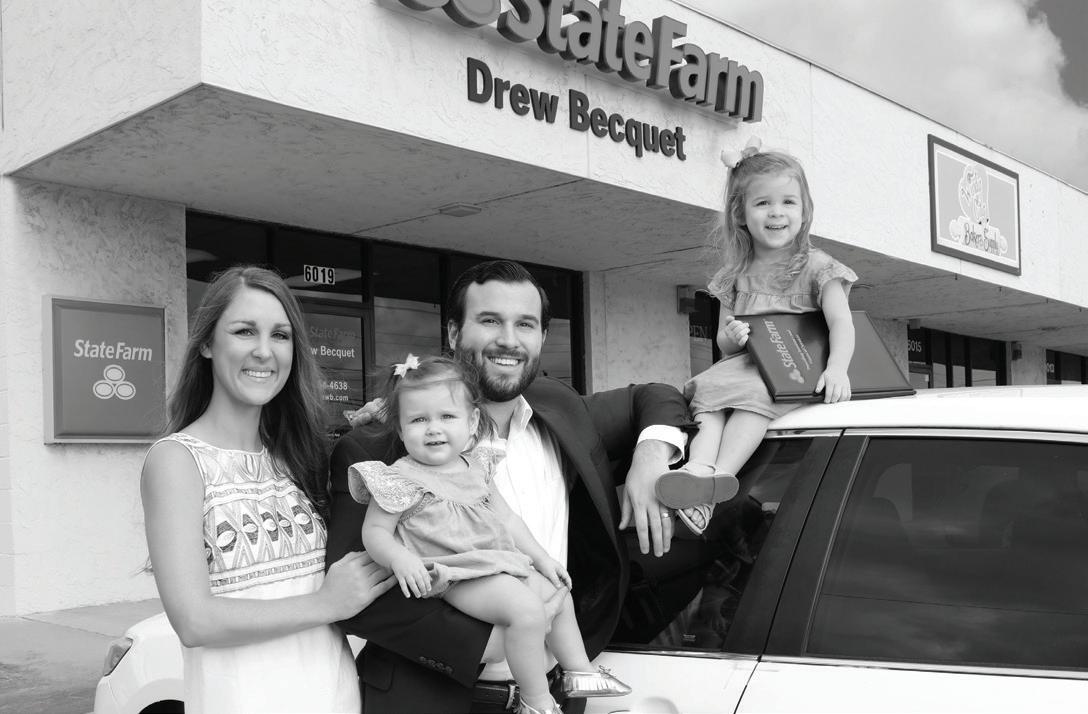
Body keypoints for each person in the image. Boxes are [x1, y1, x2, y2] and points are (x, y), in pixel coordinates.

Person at [326, 259, 693, 714]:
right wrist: (501, 640)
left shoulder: (564, 409)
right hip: (437, 699)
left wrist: (651, 456)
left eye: (525, 324)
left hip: (560, 694)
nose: (508, 339)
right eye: (489, 320)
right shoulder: (378, 446)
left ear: (542, 336)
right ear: (454, 332)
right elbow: (352, 591)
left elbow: (655, 396)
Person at [140, 266, 396, 714]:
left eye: (280, 335)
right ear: (206, 344)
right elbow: (195, 621)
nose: (264, 351)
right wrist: (325, 604)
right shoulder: (178, 460)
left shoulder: (301, 456)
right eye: (244, 331)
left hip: (336, 698)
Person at [351, 354, 631, 714]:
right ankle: (537, 701)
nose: (433, 429)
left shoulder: (477, 466)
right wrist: (399, 558)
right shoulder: (399, 478)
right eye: (419, 420)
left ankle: (579, 670)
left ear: (472, 423)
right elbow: (375, 532)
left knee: (557, 593)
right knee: (527, 612)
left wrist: (542, 558)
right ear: (401, 430)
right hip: (458, 572)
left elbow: (509, 520)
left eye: (447, 417)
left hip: (499, 563)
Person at [655, 138, 857, 535]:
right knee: (707, 399)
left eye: (788, 202)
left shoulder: (818, 267)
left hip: (793, 371)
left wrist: (837, 370)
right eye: (763, 203)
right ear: (741, 214)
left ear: (805, 210)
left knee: (752, 403)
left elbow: (841, 323)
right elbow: (723, 343)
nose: (777, 212)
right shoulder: (735, 275)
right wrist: (734, 335)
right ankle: (698, 469)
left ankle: (719, 479)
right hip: (747, 364)